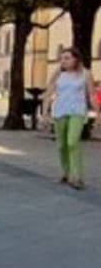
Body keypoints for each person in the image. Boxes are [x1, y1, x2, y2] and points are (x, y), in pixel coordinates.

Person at [43, 47, 99, 190]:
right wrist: (45, 113)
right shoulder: (58, 74)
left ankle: (77, 177)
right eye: (61, 58)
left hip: (77, 112)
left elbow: (92, 95)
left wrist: (98, 113)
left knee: (72, 142)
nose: (63, 61)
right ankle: (65, 173)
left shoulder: (85, 74)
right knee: (61, 145)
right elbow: (49, 93)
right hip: (60, 111)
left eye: (67, 58)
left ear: (76, 59)